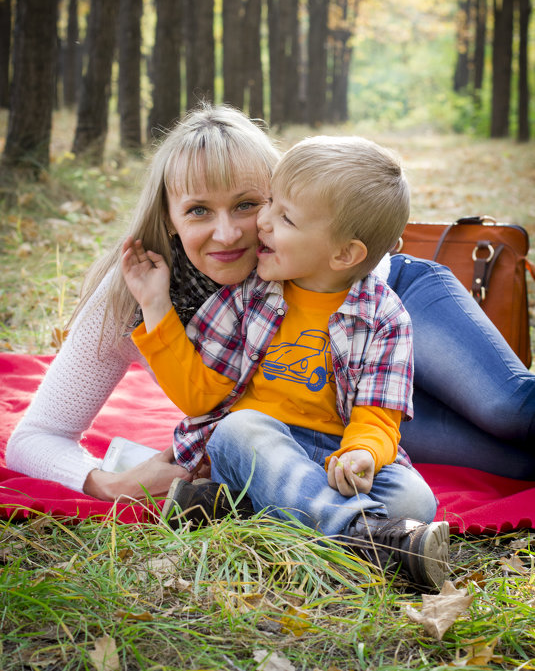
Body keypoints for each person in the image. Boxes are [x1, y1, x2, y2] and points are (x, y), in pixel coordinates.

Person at [6, 104, 535, 500]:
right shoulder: (137, 289)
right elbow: (34, 437)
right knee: (508, 459)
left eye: (248, 204)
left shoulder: (314, 245)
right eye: (197, 211)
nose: (230, 233)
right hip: (341, 404)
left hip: (389, 307)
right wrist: (106, 482)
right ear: (168, 216)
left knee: (507, 410)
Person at [122, 135, 450, 589]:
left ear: (344, 254)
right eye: (270, 203)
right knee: (239, 429)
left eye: (285, 216)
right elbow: (200, 397)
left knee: (415, 499)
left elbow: (378, 417)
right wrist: (155, 306)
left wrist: (361, 455)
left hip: (334, 455)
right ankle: (364, 539)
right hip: (261, 445)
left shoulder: (386, 317)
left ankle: (228, 506)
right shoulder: (248, 296)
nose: (263, 222)